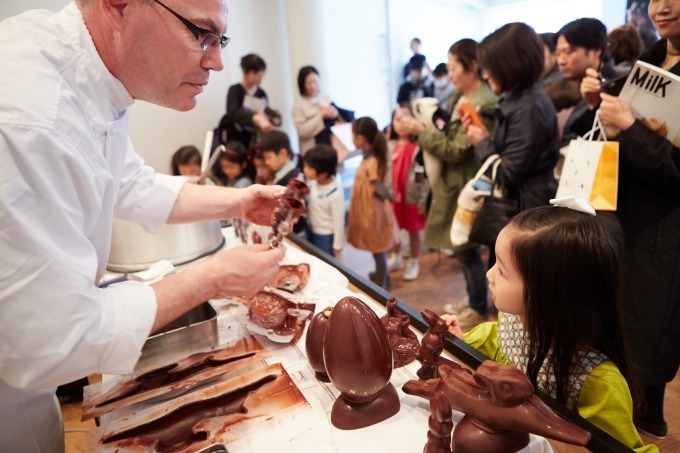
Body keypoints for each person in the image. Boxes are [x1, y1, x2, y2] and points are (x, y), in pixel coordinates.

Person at [0, 1, 286, 451]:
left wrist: (243, 201)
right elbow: (51, 341)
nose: (216, 61)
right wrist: (212, 277)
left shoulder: (92, 80)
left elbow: (129, 182)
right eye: (200, 34)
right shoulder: (32, 117)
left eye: (220, 40)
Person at [442, 205, 657, 452]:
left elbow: (614, 447)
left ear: (550, 294)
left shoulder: (597, 383)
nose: (489, 275)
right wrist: (458, 342)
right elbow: (492, 343)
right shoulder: (513, 320)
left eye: (501, 270)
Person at [579, 0, 680, 438]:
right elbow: (620, 129)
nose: (659, 6)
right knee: (621, 331)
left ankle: (646, 433)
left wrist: (632, 127)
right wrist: (597, 105)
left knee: (647, 347)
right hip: (625, 223)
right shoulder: (652, 60)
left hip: (664, 233)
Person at [406, 38, 499, 326]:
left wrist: (421, 132)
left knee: (466, 247)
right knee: (464, 248)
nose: (450, 72)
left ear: (471, 67)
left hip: (469, 186)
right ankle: (476, 300)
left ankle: (478, 305)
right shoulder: (462, 97)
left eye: (454, 66)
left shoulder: (484, 102)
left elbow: (458, 150)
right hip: (458, 184)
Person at [465, 23, 559, 265]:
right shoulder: (519, 99)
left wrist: (483, 142)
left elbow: (507, 174)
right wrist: (484, 137)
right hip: (521, 207)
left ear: (510, 64)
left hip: (527, 214)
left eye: (490, 68)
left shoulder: (528, 106)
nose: (485, 75)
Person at [347, 117, 395, 290]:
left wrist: (390, 196)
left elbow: (379, 186)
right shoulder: (368, 157)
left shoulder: (372, 161)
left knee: (379, 248)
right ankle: (382, 276)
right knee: (377, 248)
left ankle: (382, 285)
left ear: (360, 138)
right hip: (369, 208)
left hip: (374, 211)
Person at [555, 18, 615, 146]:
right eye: (558, 53)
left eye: (568, 52)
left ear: (596, 51)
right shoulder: (560, 85)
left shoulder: (612, 88)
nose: (561, 61)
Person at [387, 105, 429, 281]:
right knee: (394, 229)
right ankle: (396, 257)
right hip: (393, 197)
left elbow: (422, 175)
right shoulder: (389, 146)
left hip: (411, 198)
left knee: (413, 232)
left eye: (407, 118)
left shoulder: (419, 147)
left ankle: (413, 261)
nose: (403, 123)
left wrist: (421, 200)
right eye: (398, 119)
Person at [292, 65, 353, 157]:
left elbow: (341, 118)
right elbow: (302, 132)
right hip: (313, 151)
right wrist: (321, 116)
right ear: (302, 84)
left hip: (332, 148)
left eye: (315, 81)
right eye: (308, 83)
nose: (312, 86)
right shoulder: (298, 106)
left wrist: (335, 114)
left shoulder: (326, 99)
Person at [219, 53, 274, 150]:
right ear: (245, 72)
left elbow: (267, 111)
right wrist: (255, 117)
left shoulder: (261, 93)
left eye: (262, 76)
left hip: (256, 140)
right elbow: (233, 113)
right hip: (237, 140)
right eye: (258, 75)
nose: (260, 79)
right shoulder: (235, 90)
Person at [302, 144, 345, 257]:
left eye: (310, 168)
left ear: (324, 173)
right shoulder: (313, 182)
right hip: (311, 228)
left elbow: (339, 220)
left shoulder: (335, 192)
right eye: (305, 165)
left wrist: (337, 245)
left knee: (326, 262)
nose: (305, 170)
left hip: (325, 236)